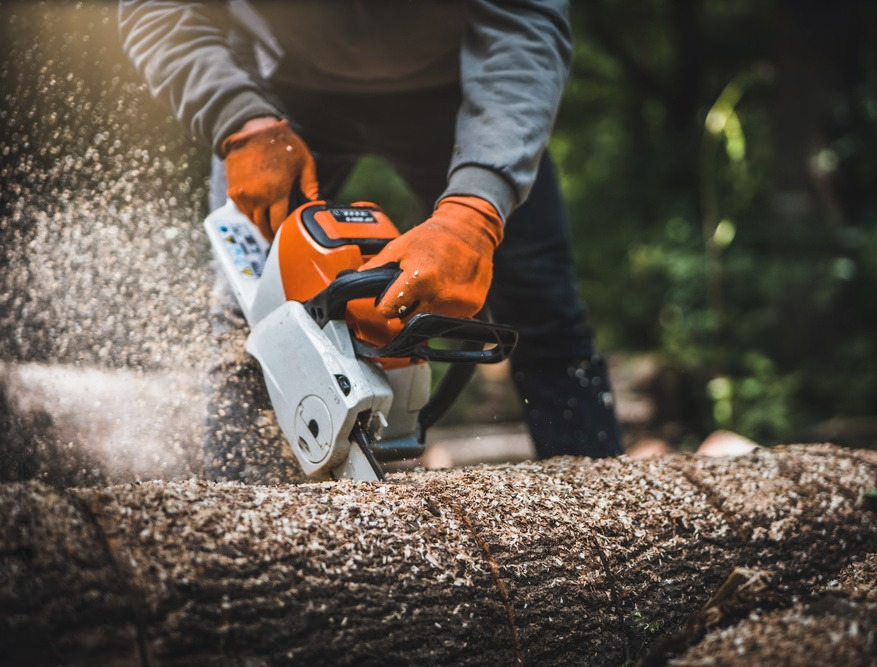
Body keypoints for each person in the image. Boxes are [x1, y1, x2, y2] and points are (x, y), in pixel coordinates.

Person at [119, 1, 622, 478]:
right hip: (272, 91)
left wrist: (476, 208)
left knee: (543, 308)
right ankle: (238, 515)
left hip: (464, 87)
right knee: (251, 323)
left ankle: (605, 507)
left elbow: (526, 21)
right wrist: (235, 115)